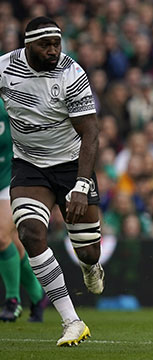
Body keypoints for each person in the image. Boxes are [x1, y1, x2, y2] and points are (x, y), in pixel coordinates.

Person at [0, 17, 104, 346]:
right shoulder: (5, 68)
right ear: (26, 45)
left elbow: (90, 133)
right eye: (46, 45)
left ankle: (91, 267)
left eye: (57, 44)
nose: (53, 51)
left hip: (72, 166)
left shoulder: (71, 74)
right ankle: (71, 321)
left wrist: (82, 185)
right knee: (30, 233)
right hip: (29, 166)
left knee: (87, 252)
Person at [0, 99, 47, 323]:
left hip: (8, 179)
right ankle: (38, 296)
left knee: (0, 237)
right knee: (15, 245)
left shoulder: (8, 106)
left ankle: (12, 300)